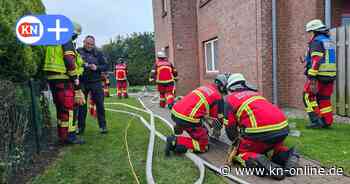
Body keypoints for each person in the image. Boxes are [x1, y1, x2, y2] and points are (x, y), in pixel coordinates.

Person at [223, 73, 299, 180]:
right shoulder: (256, 94)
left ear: (229, 87)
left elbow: (230, 129)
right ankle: (289, 154)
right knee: (273, 147)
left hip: (260, 133)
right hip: (283, 128)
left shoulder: (229, 99)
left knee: (241, 153)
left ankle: (261, 162)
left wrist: (237, 142)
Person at [42, 22, 85, 144]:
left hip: (52, 80)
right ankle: (70, 137)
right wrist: (75, 79)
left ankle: (62, 136)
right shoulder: (66, 41)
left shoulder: (53, 42)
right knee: (69, 108)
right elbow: (69, 61)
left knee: (61, 109)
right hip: (64, 79)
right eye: (75, 35)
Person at [165, 74, 228, 156]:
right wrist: (217, 131)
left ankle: (179, 128)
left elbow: (199, 108)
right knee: (203, 145)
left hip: (175, 112)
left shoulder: (204, 87)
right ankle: (175, 141)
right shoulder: (218, 97)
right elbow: (217, 119)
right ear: (222, 87)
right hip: (187, 119)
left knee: (201, 127)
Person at [303, 19, 336, 128]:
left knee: (308, 97)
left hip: (318, 76)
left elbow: (317, 59)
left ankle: (316, 121)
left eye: (310, 32)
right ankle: (327, 121)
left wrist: (312, 75)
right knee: (324, 98)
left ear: (314, 31)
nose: (309, 35)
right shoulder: (328, 41)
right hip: (330, 76)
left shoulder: (316, 41)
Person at [77, 35, 108, 134]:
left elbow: (105, 66)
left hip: (96, 82)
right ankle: (80, 128)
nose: (90, 46)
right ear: (84, 42)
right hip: (83, 82)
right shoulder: (78, 51)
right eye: (88, 43)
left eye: (92, 44)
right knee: (82, 106)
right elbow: (73, 63)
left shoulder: (98, 53)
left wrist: (97, 67)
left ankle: (103, 126)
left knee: (100, 104)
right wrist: (84, 65)